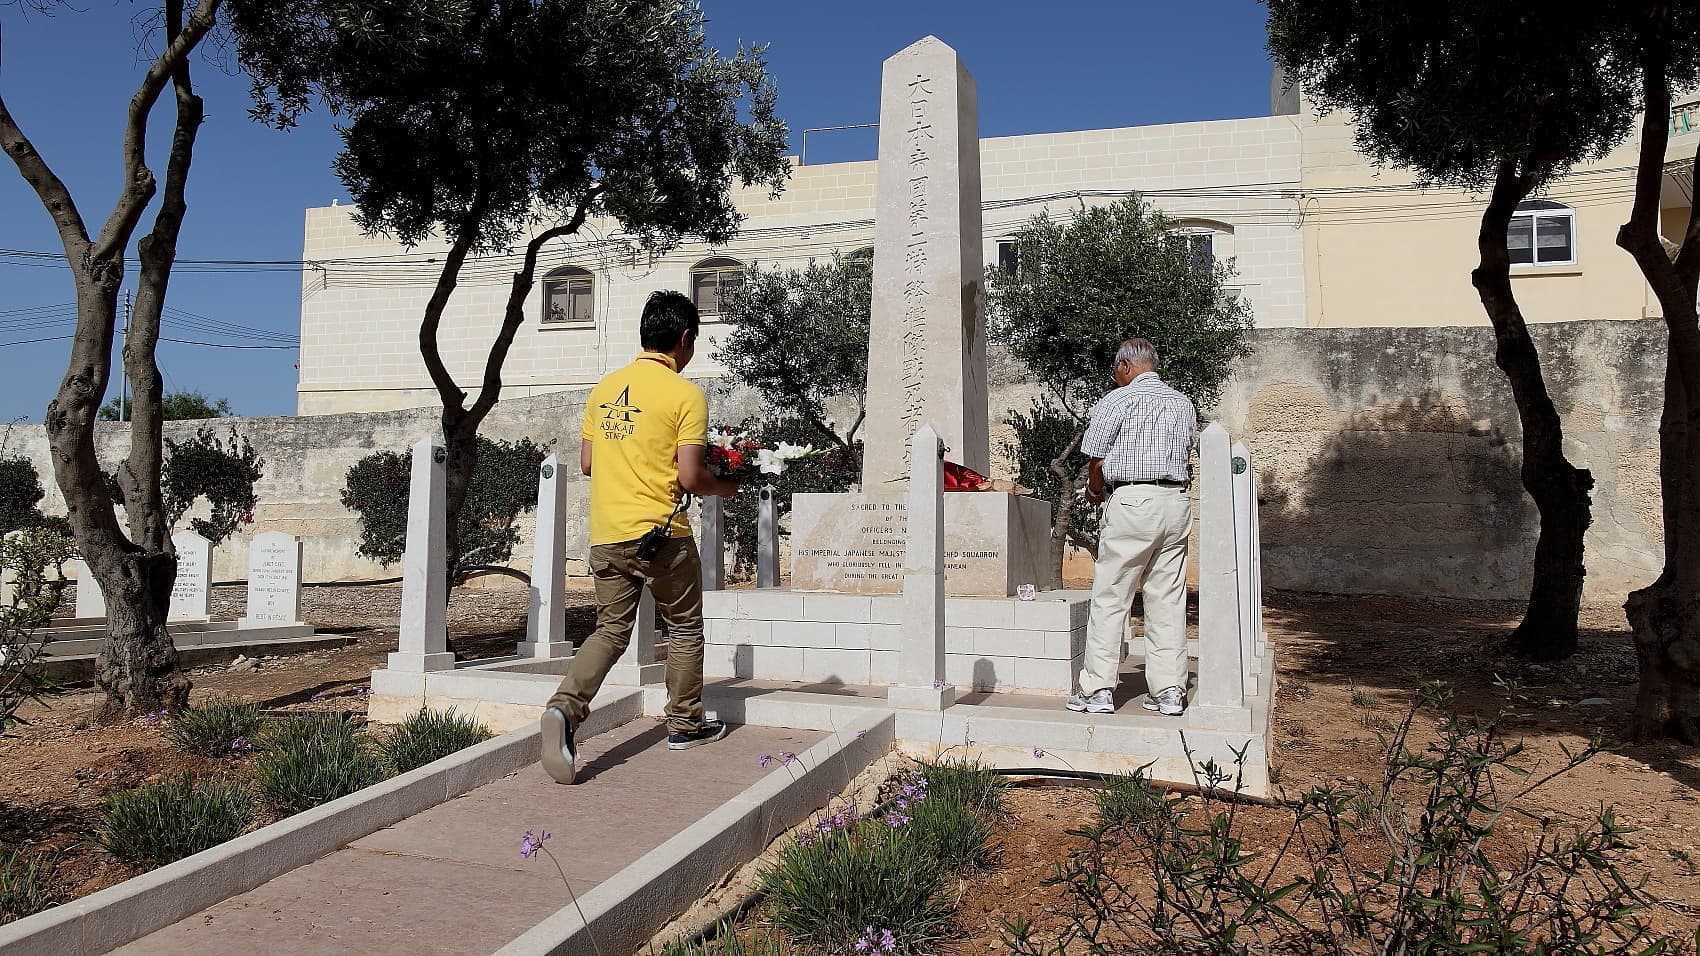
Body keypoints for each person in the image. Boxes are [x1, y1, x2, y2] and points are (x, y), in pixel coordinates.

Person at [540, 290, 739, 785]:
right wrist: (728, 484)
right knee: (684, 629)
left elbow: (588, 463)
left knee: (610, 631)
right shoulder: (685, 394)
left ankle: (565, 708)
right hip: (663, 536)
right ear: (685, 339)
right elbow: (691, 478)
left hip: (607, 535)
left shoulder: (603, 390)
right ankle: (685, 724)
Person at [1068, 337, 1198, 717]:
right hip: (1176, 501)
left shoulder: (1118, 399)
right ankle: (1169, 691)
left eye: (1115, 369)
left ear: (1126, 366)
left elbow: (1095, 458)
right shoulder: (1182, 403)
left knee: (1112, 596)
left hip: (1133, 501)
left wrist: (1095, 490)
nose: (1114, 375)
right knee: (1167, 598)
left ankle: (1097, 690)